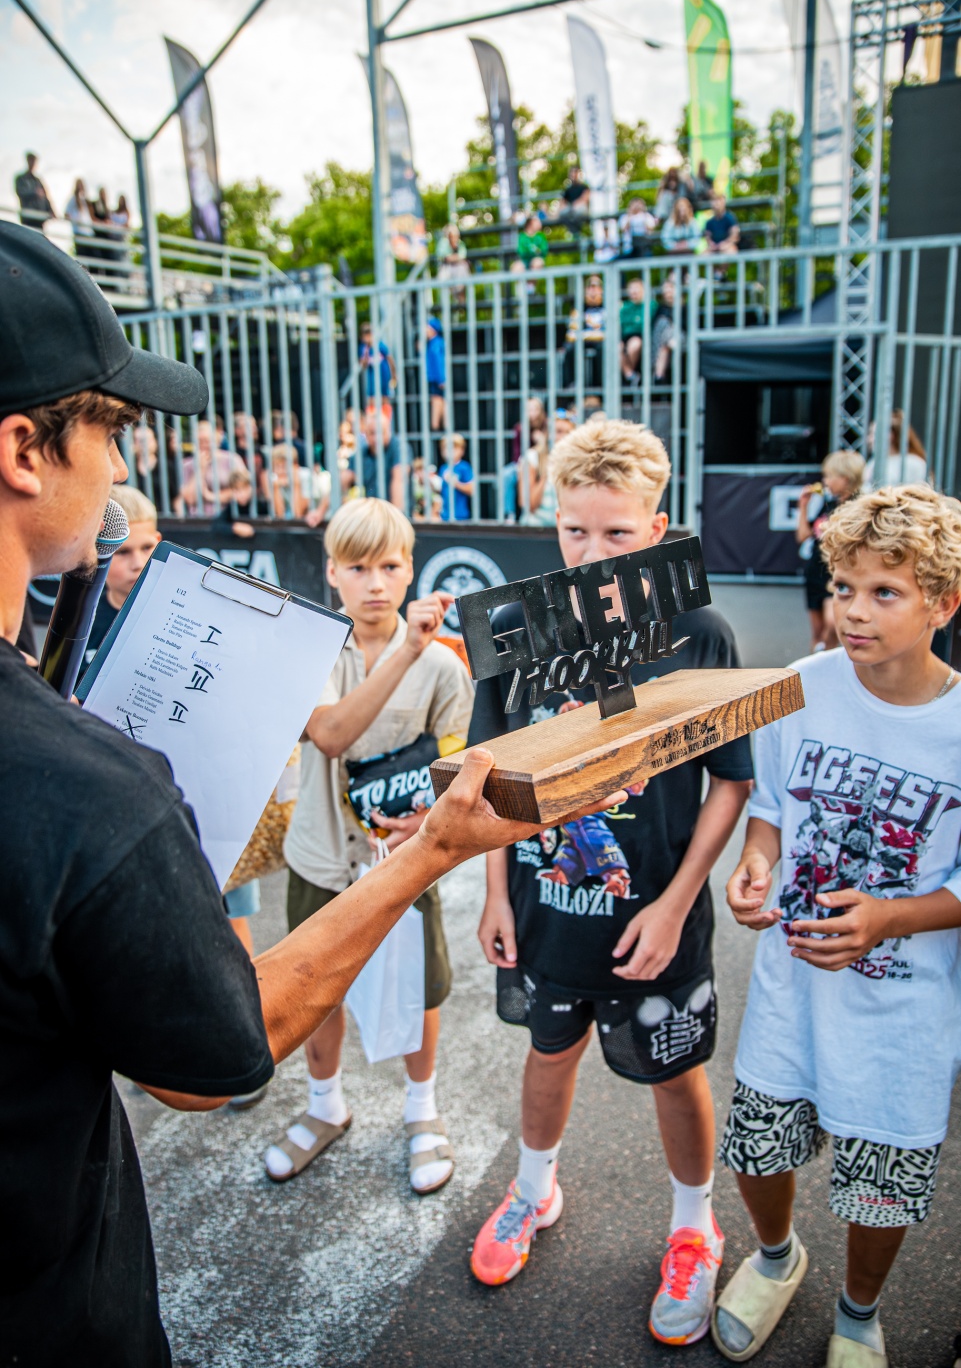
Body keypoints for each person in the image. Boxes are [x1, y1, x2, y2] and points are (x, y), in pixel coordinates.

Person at [0, 218, 627, 1365]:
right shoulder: (92, 788)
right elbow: (210, 1063)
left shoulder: (75, 757)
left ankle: (408, 1110)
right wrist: (434, 849)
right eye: (112, 430)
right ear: (23, 453)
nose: (123, 471)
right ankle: (332, 1104)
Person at [468, 419, 754, 1350]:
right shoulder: (512, 627)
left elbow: (731, 781)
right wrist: (496, 892)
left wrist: (673, 904)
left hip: (654, 917)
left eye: (617, 533)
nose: (592, 555)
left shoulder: (699, 633)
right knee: (547, 1052)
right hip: (546, 906)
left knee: (674, 1073)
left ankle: (693, 1226)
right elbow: (486, 774)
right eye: (573, 531)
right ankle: (532, 1190)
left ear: (657, 528)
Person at [715, 482, 961, 1367]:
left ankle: (858, 1313)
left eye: (884, 591)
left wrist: (892, 916)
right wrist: (755, 863)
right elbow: (769, 807)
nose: (852, 611)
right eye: (842, 587)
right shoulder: (799, 686)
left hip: (902, 1014)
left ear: (942, 603)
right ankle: (775, 1258)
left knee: (879, 1188)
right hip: (790, 989)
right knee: (756, 1149)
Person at [267, 497, 476, 1192]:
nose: (375, 584)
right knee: (312, 989)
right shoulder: (312, 649)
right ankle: (324, 1104)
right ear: (331, 572)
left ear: (410, 568)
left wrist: (429, 820)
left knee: (421, 988)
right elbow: (329, 735)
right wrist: (407, 649)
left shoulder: (443, 667)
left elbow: (457, 761)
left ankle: (422, 1110)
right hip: (320, 856)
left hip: (403, 860)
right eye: (357, 568)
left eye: (389, 566)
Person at [83, 483, 161, 668]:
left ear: (158, 541)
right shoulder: (81, 622)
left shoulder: (183, 614)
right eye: (122, 552)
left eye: (147, 547)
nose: (138, 563)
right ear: (96, 551)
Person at [796, 450, 865, 653]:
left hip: (836, 573)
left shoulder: (859, 508)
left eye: (829, 476)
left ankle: (829, 660)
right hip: (815, 570)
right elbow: (803, 536)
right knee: (817, 633)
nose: (825, 481)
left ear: (845, 478)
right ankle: (814, 669)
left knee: (832, 626)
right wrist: (803, 506)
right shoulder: (829, 504)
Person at [181, 418, 252, 520]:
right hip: (198, 519)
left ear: (217, 441)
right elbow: (189, 499)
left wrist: (210, 496)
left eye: (207, 441)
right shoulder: (187, 464)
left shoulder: (232, 459)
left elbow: (245, 490)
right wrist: (200, 470)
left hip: (229, 518)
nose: (203, 445)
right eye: (199, 441)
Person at [343, 405, 410, 512]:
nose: (376, 438)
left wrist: (395, 516)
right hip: (374, 515)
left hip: (396, 515)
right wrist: (319, 512)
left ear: (389, 430)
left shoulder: (399, 447)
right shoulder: (362, 452)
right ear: (365, 433)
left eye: (381, 432)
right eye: (372, 433)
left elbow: (399, 481)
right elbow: (342, 481)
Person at [862, 412, 928, 490]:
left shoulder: (915, 463)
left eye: (873, 434)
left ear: (891, 436)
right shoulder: (873, 462)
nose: (869, 439)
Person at [563, 274, 606, 392]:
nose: (592, 291)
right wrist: (592, 334)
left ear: (602, 290)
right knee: (569, 348)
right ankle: (571, 385)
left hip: (600, 342)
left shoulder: (608, 307)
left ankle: (600, 386)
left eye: (596, 287)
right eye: (589, 288)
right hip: (584, 340)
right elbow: (571, 335)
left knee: (603, 348)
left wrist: (586, 335)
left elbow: (610, 333)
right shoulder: (578, 308)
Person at [652, 274, 683, 383]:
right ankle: (659, 375)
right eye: (665, 289)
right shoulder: (660, 308)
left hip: (681, 337)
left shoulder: (684, 307)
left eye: (670, 288)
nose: (667, 291)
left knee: (669, 329)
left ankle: (658, 375)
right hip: (664, 341)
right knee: (663, 323)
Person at [358, 321, 396, 407]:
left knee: (384, 398)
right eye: (365, 335)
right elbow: (362, 363)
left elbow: (390, 359)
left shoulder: (380, 345)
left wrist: (394, 375)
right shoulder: (363, 348)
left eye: (369, 334)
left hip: (383, 375)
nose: (367, 337)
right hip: (371, 377)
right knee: (371, 399)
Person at [620, 277, 650, 384]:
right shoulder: (624, 307)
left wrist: (631, 324)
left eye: (636, 288)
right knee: (617, 346)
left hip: (641, 337)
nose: (633, 291)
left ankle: (626, 378)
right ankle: (630, 376)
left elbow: (641, 326)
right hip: (624, 338)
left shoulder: (650, 305)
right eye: (631, 289)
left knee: (634, 344)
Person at [439, 433, 473, 522]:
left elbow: (471, 489)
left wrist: (454, 483)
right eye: (446, 448)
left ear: (462, 450)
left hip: (460, 515)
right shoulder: (443, 468)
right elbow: (441, 490)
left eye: (454, 448)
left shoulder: (464, 467)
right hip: (444, 515)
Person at [14, 153, 55, 227]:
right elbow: (20, 192)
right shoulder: (20, 179)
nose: (32, 163)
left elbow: (45, 196)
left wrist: (51, 210)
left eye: (34, 161)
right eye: (31, 161)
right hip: (28, 216)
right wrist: (34, 193)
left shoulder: (37, 180)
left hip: (40, 217)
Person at [425, 315, 447, 433]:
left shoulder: (436, 344)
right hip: (435, 378)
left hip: (437, 379)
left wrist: (441, 379)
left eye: (427, 328)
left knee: (437, 400)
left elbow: (439, 363)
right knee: (440, 400)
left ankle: (436, 426)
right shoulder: (433, 343)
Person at [65, 178, 93, 249]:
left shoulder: (84, 199)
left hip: (87, 231)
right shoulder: (73, 199)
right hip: (79, 231)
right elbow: (66, 213)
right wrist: (75, 220)